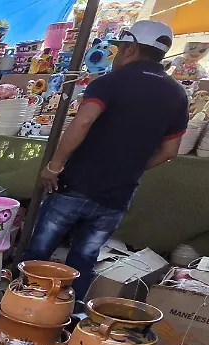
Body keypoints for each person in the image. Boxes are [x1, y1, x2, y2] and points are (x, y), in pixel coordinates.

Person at [19, 20, 188, 299]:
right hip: (117, 195)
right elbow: (170, 151)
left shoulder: (110, 82)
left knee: (38, 253)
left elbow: (83, 122)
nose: (116, 56)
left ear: (130, 49)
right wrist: (130, 168)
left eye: (119, 49)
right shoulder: (177, 94)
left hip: (76, 185)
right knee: (84, 258)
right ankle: (69, 316)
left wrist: (55, 165)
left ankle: (22, 304)